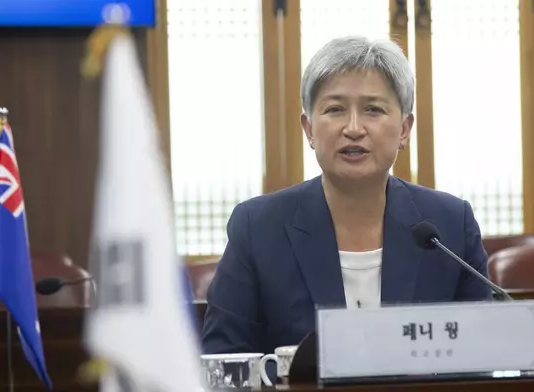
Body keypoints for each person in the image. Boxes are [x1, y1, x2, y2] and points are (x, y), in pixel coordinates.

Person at [201, 36, 491, 355]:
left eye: (373, 110)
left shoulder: (449, 226)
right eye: (335, 109)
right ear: (309, 128)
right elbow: (223, 361)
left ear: (405, 129)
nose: (353, 128)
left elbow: (480, 354)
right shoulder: (257, 228)